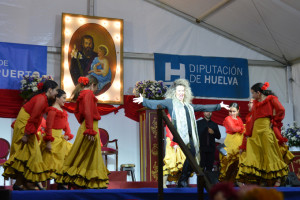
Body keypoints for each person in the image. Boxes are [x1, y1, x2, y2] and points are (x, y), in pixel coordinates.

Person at [133, 78, 229, 187]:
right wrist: (144, 101)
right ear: (174, 92)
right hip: (179, 138)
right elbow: (157, 103)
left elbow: (202, 107)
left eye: (183, 91)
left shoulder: (188, 106)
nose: (181, 93)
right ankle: (180, 181)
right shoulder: (171, 103)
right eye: (179, 91)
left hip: (189, 138)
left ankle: (183, 179)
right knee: (182, 159)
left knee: (193, 159)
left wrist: (219, 106)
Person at [55, 75, 109, 189]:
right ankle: (71, 179)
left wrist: (85, 125)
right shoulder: (88, 94)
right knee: (85, 153)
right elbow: (88, 112)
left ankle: (72, 180)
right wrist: (89, 129)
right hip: (90, 127)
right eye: (96, 88)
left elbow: (78, 112)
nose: (95, 91)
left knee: (82, 153)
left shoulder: (82, 94)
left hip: (86, 126)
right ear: (92, 85)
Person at [3, 80, 58, 190]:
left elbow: (35, 119)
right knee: (28, 154)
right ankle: (25, 184)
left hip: (27, 127)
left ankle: (20, 184)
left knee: (29, 155)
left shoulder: (43, 99)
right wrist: (26, 135)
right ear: (50, 90)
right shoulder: (41, 99)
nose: (57, 93)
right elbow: (33, 119)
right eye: (56, 90)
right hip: (25, 127)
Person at [236, 82, 290, 187]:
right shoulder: (255, 104)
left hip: (266, 129)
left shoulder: (271, 99)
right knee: (258, 156)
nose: (252, 96)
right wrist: (249, 134)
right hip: (256, 131)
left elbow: (281, 110)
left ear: (258, 93)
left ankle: (278, 179)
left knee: (271, 154)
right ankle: (262, 180)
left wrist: (274, 122)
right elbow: (252, 120)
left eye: (253, 93)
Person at [40, 89, 74, 190]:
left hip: (60, 138)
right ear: (57, 98)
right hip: (53, 138)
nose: (65, 100)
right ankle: (43, 186)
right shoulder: (52, 110)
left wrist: (68, 133)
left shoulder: (63, 111)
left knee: (63, 161)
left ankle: (61, 183)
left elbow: (66, 124)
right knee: (50, 162)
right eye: (63, 98)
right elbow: (49, 126)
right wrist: (48, 142)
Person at [219, 103, 245, 183]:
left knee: (236, 165)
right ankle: (225, 184)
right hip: (230, 143)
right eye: (230, 111)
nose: (232, 113)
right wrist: (241, 128)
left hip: (239, 143)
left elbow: (241, 129)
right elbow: (233, 129)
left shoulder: (239, 119)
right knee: (228, 164)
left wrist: (241, 128)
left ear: (238, 111)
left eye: (234, 111)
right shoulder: (227, 118)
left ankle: (233, 183)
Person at [162, 115, 186, 188]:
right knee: (171, 161)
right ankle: (163, 184)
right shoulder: (170, 116)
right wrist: (174, 143)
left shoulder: (180, 115)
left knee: (180, 161)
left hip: (180, 140)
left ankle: (179, 182)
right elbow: (169, 130)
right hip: (172, 141)